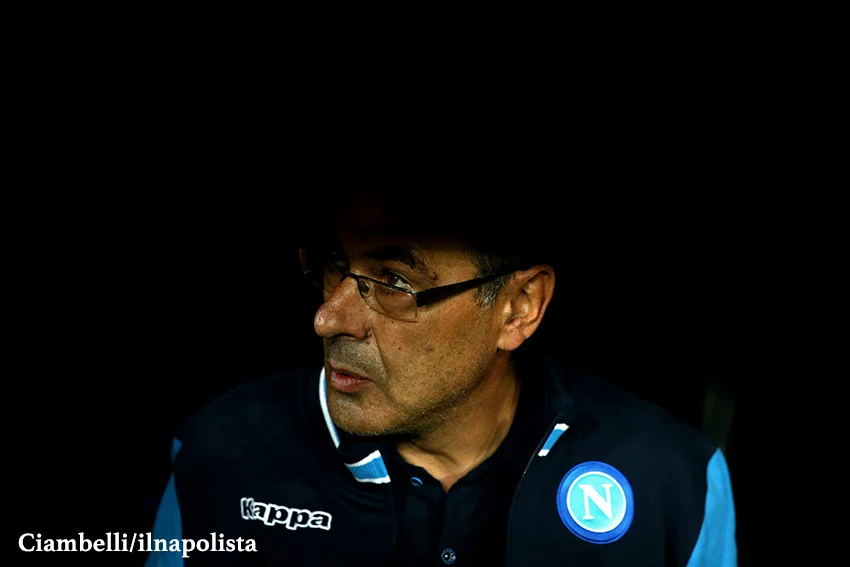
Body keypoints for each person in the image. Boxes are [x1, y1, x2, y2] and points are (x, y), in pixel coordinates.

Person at [144, 192, 736, 566]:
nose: (328, 318)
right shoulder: (219, 451)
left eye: (394, 282)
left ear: (520, 307)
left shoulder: (674, 479)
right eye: (335, 266)